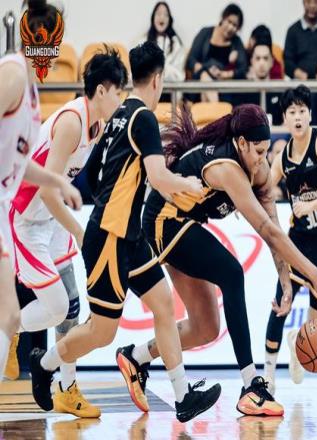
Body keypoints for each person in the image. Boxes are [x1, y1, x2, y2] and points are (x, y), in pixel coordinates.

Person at [28, 41, 221, 423]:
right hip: (110, 237)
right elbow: (159, 177)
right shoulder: (143, 118)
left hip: (128, 235)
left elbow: (93, 174)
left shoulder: (117, 116)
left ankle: (182, 395)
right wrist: (189, 185)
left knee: (163, 305)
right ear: (159, 79)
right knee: (102, 332)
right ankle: (44, 363)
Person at [115, 103, 317, 417]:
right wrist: (315, 275)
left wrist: (285, 279)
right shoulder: (227, 168)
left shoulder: (259, 170)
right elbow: (266, 231)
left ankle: (135, 357)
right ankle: (251, 386)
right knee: (232, 273)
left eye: (266, 151)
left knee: (206, 327)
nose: (262, 159)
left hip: (187, 222)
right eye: (257, 151)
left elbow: (273, 228)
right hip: (163, 221)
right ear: (241, 143)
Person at [7, 50, 127, 417]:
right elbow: (47, 190)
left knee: (72, 307)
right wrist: (79, 230)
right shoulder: (73, 122)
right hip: (26, 218)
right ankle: (10, 326)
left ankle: (67, 388)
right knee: (58, 307)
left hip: (52, 216)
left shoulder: (98, 124)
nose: (121, 98)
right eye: (119, 91)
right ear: (102, 90)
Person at [0, 0, 82, 380]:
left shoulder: (30, 89)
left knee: (11, 315)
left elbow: (18, 163)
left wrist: (57, 180)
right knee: (9, 314)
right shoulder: (14, 74)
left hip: (4, 205)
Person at [264, 85, 317, 394]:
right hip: (297, 241)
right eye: (292, 112)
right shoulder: (282, 157)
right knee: (280, 303)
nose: (298, 117)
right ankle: (267, 377)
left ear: (310, 114)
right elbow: (262, 190)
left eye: (302, 111)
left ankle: (296, 342)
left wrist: (313, 205)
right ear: (284, 118)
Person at [185, 3, 247, 102]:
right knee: (205, 76)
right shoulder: (205, 33)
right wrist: (204, 69)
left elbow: (242, 69)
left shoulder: (236, 42)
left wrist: (223, 74)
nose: (231, 27)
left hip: (223, 86)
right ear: (223, 18)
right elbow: (191, 60)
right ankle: (217, 109)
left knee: (206, 85)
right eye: (229, 22)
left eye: (235, 25)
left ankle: (211, 110)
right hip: (200, 80)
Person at [232, 37, 283, 125]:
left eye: (265, 58)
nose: (261, 63)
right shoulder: (241, 92)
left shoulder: (280, 91)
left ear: (272, 62)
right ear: (252, 61)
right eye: (258, 58)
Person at [145, 2, 185, 82]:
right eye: (159, 14)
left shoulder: (176, 44)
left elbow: (179, 76)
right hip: (148, 86)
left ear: (169, 20)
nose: (162, 17)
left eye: (165, 14)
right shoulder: (143, 41)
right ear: (153, 18)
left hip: (170, 87)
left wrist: (161, 69)